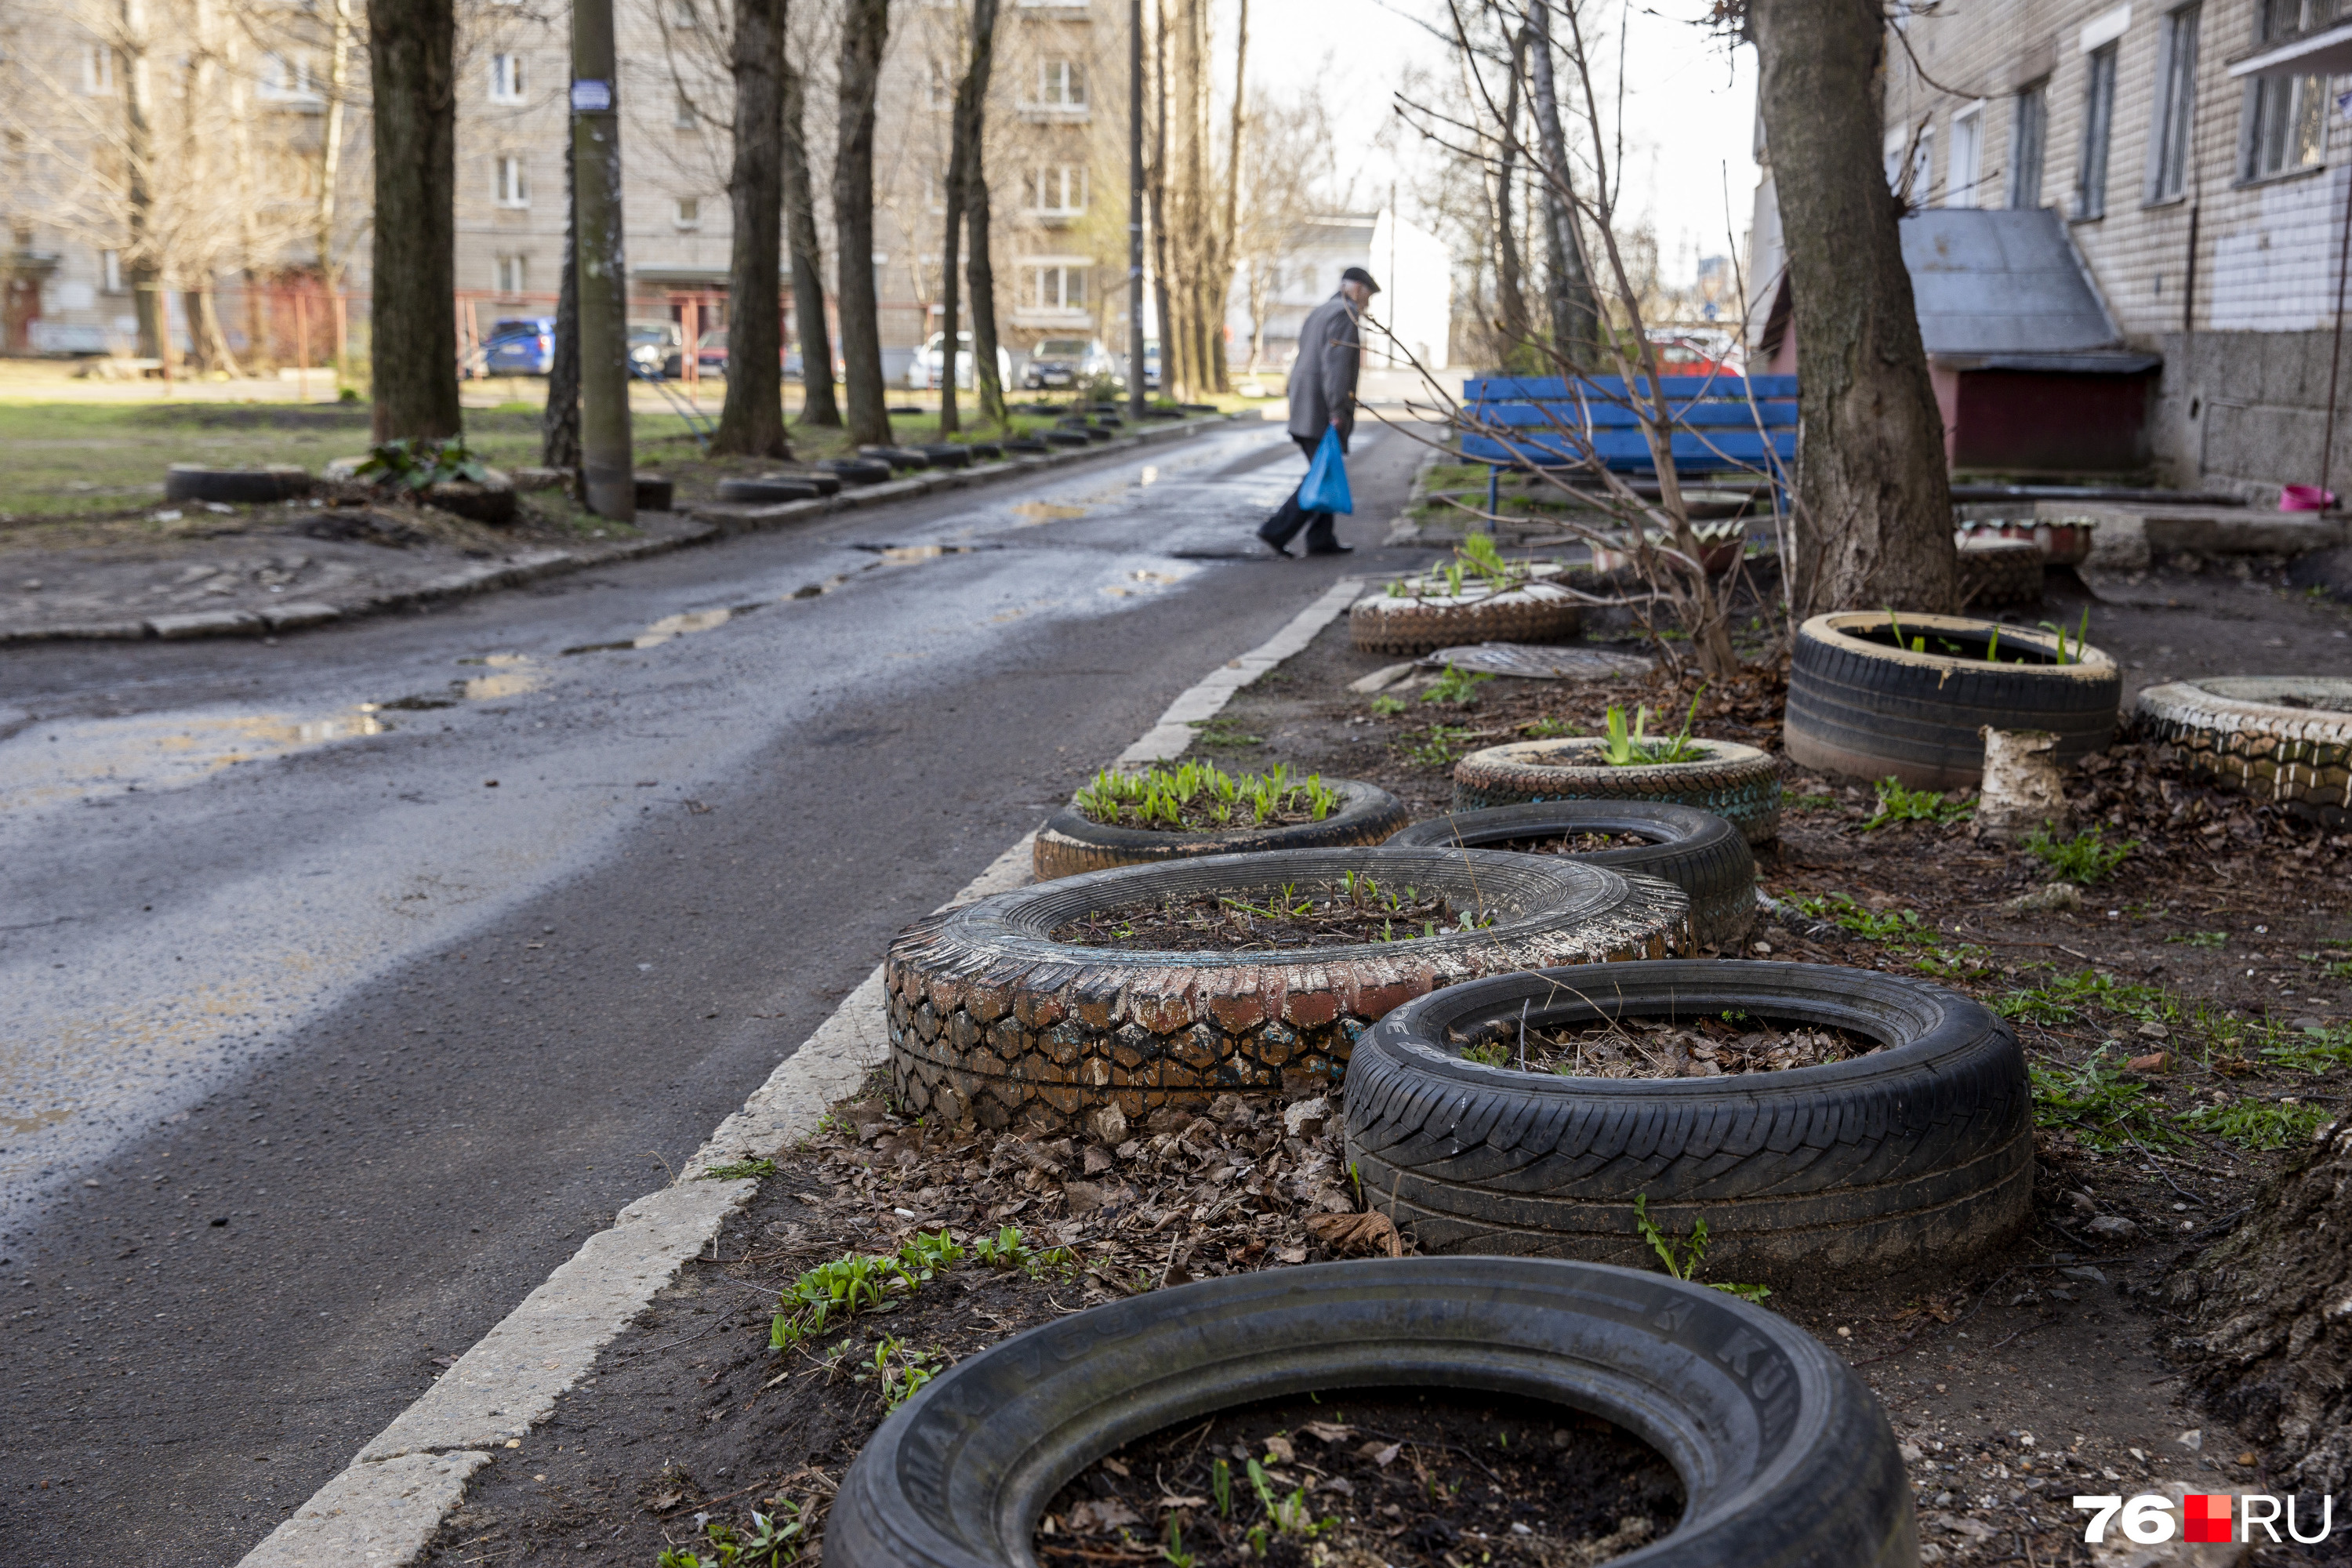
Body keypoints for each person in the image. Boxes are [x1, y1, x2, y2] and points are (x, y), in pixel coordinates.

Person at [1258, 266, 1378, 557]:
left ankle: (1321, 539)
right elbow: (1336, 368)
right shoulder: (1345, 314)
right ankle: (1276, 530)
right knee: (1321, 473)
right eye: (1368, 296)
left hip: (1305, 405)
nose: (1367, 304)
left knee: (1325, 469)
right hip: (1321, 409)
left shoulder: (1321, 311)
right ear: (1358, 289)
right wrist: (1337, 410)